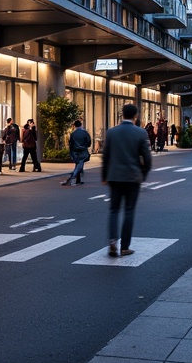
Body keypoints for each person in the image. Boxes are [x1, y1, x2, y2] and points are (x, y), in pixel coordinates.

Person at [101, 103, 152, 257]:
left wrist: (105, 176)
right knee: (129, 211)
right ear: (135, 116)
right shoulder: (140, 133)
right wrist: (143, 174)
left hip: (114, 177)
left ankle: (112, 241)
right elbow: (147, 158)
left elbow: (106, 157)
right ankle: (124, 247)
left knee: (114, 210)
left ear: (122, 115)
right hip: (132, 177)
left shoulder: (111, 132)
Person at [63, 119, 92, 185]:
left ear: (75, 126)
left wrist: (71, 152)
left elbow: (71, 144)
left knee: (78, 163)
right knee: (80, 164)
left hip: (75, 151)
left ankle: (78, 179)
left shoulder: (73, 134)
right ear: (81, 125)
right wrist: (85, 146)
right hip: (83, 150)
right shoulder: (85, 133)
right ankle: (74, 177)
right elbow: (89, 142)